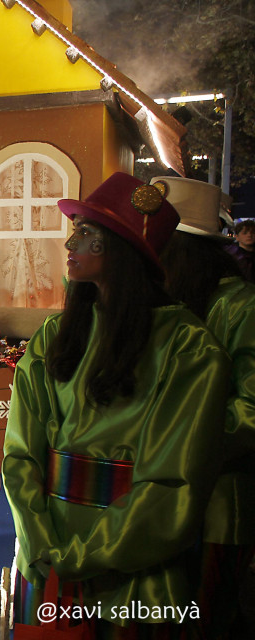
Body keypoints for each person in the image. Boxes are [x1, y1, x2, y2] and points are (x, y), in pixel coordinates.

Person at [3, 173, 231, 636]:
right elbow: (21, 453)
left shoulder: (188, 348)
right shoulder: (54, 336)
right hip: (46, 557)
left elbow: (172, 483)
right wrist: (42, 544)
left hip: (133, 567)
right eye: (75, 230)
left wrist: (81, 557)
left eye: (87, 233)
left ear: (123, 250)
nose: (70, 243)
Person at [154, 176, 255, 639]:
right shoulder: (176, 302)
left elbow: (249, 410)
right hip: (163, 502)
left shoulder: (240, 307)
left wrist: (176, 440)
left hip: (219, 508)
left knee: (208, 619)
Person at [226, 217, 255, 281]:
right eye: (245, 233)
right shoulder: (232, 256)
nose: (249, 235)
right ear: (237, 237)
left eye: (253, 232)